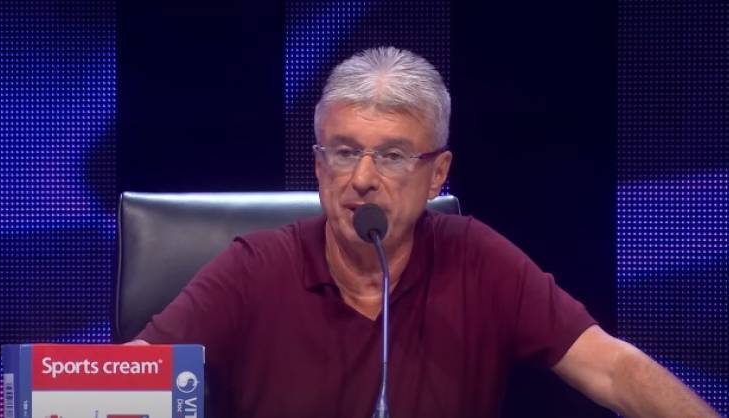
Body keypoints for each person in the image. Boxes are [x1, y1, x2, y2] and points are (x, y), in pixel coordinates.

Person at [133, 47, 719, 418]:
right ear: (318, 166)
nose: (362, 178)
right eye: (344, 152)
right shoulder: (254, 269)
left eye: (391, 156)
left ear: (437, 174)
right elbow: (132, 381)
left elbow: (613, 369)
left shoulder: (477, 260)